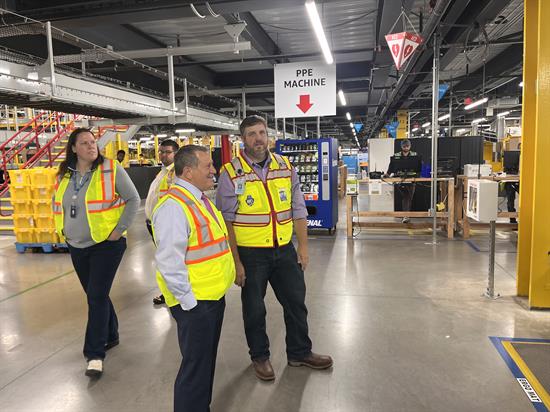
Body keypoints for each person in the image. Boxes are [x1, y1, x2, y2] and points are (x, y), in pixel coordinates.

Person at [216, 115, 332, 382]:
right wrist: (237, 262)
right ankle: (260, 356)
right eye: (252, 134)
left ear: (268, 135)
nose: (258, 139)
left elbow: (298, 208)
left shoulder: (285, 166)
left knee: (296, 303)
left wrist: (303, 247)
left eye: (262, 133)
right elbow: (227, 221)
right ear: (242, 140)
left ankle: (300, 352)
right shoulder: (231, 173)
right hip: (251, 254)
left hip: (284, 250)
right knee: (254, 309)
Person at [152, 145, 235, 412]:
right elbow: (168, 262)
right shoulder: (173, 207)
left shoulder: (200, 198)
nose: (214, 170)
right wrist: (189, 303)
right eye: (208, 166)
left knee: (204, 363)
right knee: (195, 367)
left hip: (211, 296)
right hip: (196, 303)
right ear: (188, 172)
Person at [53, 128, 140, 378]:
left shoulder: (111, 169)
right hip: (76, 245)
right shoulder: (65, 174)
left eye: (93, 142)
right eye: (85, 143)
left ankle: (94, 354)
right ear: (73, 148)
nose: (92, 146)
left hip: (106, 245)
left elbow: (133, 200)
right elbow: (61, 204)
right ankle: (111, 335)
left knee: (96, 296)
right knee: (96, 294)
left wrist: (119, 230)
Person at [144, 139, 179, 305]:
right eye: (161, 151)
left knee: (169, 261)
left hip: (166, 226)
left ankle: (170, 293)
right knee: (165, 259)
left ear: (176, 154)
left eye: (167, 152)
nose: (163, 155)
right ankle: (169, 291)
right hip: (155, 224)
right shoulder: (163, 172)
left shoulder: (175, 173)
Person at [389, 139, 419, 224]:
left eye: (407, 146)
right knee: (406, 197)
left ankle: (406, 215)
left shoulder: (414, 155)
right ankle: (406, 216)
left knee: (409, 198)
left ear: (410, 146)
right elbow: (391, 166)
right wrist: (387, 174)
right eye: (404, 146)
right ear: (401, 147)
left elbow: (418, 166)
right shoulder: (397, 155)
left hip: (411, 179)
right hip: (400, 179)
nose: (406, 148)